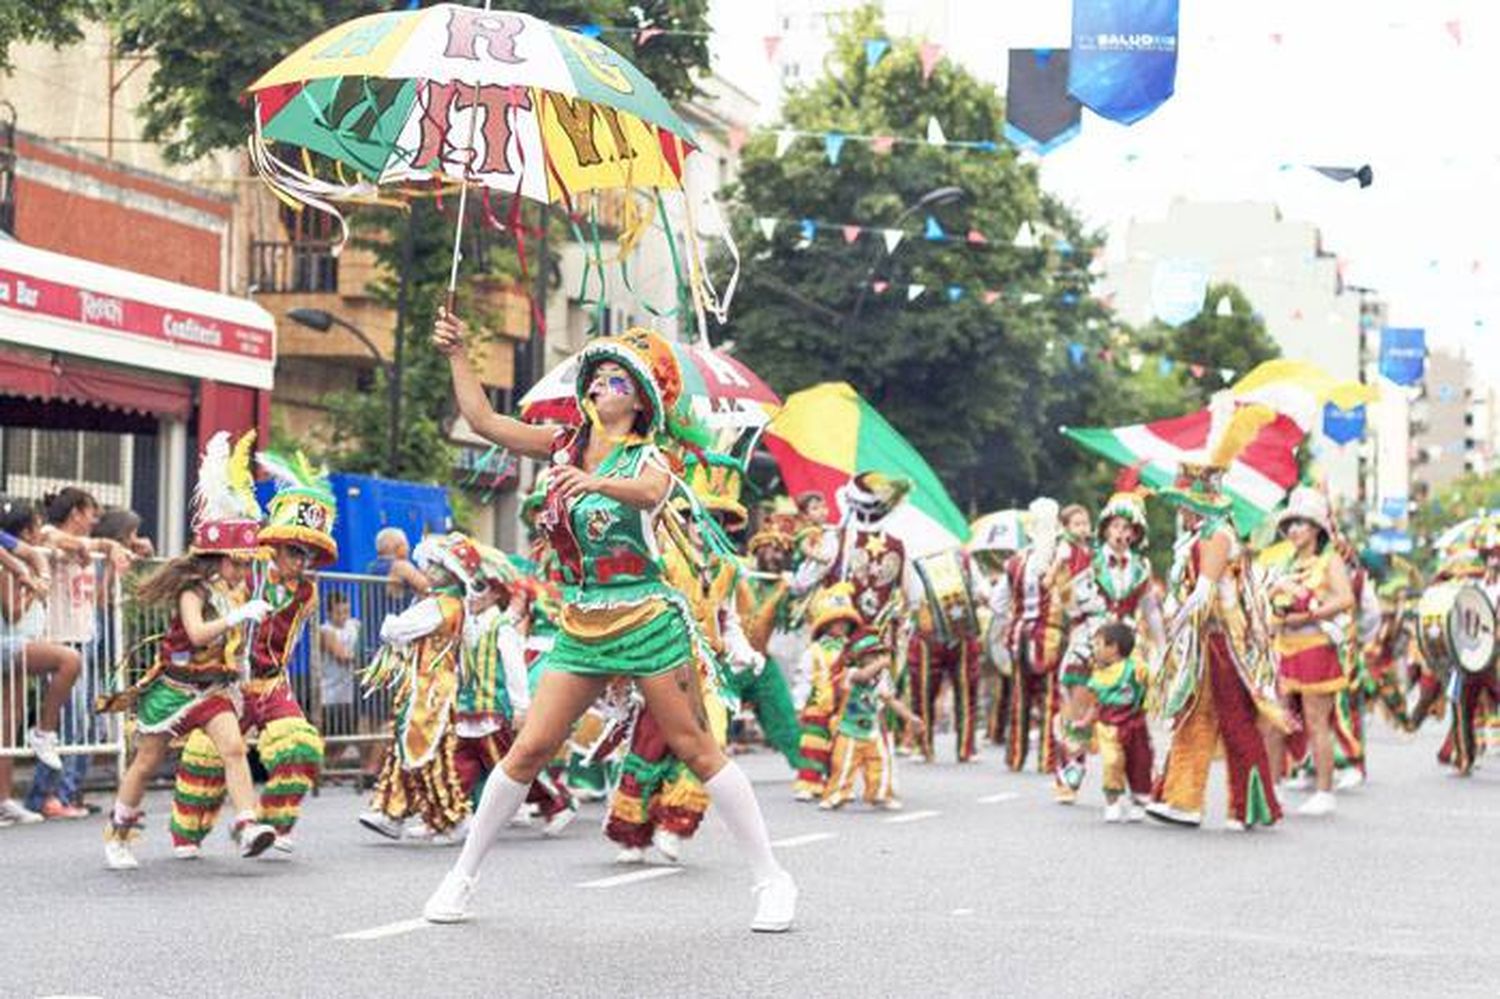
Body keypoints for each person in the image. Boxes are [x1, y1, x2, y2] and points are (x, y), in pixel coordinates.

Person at [424, 312, 795, 932]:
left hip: (647, 618)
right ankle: (461, 878)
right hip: (583, 621)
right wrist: (460, 353)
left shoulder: (652, 456)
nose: (600, 386)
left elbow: (650, 495)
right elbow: (485, 422)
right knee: (530, 749)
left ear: (642, 402)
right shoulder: (561, 444)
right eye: (595, 378)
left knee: (695, 748)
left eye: (617, 381)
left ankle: (771, 879)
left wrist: (592, 480)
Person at [97, 431, 278, 869]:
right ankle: (118, 835)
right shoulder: (193, 592)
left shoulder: (234, 595)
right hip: (174, 688)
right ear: (218, 559)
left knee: (234, 750)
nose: (243, 570)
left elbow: (225, 648)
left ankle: (247, 824)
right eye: (238, 562)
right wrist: (237, 618)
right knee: (147, 761)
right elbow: (197, 635)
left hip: (211, 691)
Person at [168, 450, 333, 855]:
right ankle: (186, 833)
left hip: (271, 682)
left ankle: (271, 826)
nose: (302, 561)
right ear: (276, 546)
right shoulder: (248, 568)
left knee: (301, 746)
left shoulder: (307, 591)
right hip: (230, 681)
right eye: (296, 551)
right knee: (206, 761)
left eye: (308, 554)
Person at [1147, 399, 1286, 831]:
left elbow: (1203, 593)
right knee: (1195, 716)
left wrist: (1172, 624)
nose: (1180, 509)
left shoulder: (1217, 535)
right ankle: (1182, 799)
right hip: (1202, 642)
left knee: (1234, 720)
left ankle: (1250, 807)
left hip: (1219, 642)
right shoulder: (1199, 535)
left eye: (1184, 502)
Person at [357, 533, 476, 843]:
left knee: (426, 749)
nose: (429, 572)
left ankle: (453, 818)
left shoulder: (439, 605)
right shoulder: (456, 605)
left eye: (435, 567)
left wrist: (392, 623)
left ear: (449, 573)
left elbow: (393, 628)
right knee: (405, 746)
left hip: (430, 688)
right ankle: (391, 811)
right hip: (429, 684)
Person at [0, 497, 81, 825]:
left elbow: (31, 554)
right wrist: (28, 581)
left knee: (8, 723)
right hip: (7, 644)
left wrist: (38, 576)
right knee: (69, 660)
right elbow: (13, 611)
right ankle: (44, 732)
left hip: (16, 646)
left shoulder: (12, 547)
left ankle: (3, 800)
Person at [821, 629, 924, 810]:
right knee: (844, 765)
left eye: (880, 655)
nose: (878, 659)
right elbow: (863, 676)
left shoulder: (882, 679)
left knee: (880, 763)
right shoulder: (851, 673)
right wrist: (881, 663)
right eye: (872, 656)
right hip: (848, 730)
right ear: (860, 658)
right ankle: (836, 795)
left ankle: (880, 794)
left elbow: (891, 700)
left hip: (872, 731)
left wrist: (910, 718)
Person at [792, 583, 863, 800]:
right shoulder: (813, 651)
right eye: (836, 621)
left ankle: (839, 784)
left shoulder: (852, 651)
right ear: (825, 624)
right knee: (814, 745)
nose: (841, 626)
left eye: (844, 622)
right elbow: (804, 678)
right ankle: (809, 783)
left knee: (842, 748)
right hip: (818, 706)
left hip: (845, 706)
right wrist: (799, 704)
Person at [1079, 622, 1153, 823]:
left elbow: (1153, 684)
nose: (1095, 649)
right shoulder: (1097, 675)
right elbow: (1094, 705)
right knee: (1112, 762)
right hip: (1108, 728)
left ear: (1113, 648)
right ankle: (1112, 802)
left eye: (1098, 644)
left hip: (1135, 726)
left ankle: (1139, 801)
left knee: (1140, 764)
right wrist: (1084, 722)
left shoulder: (1136, 668)